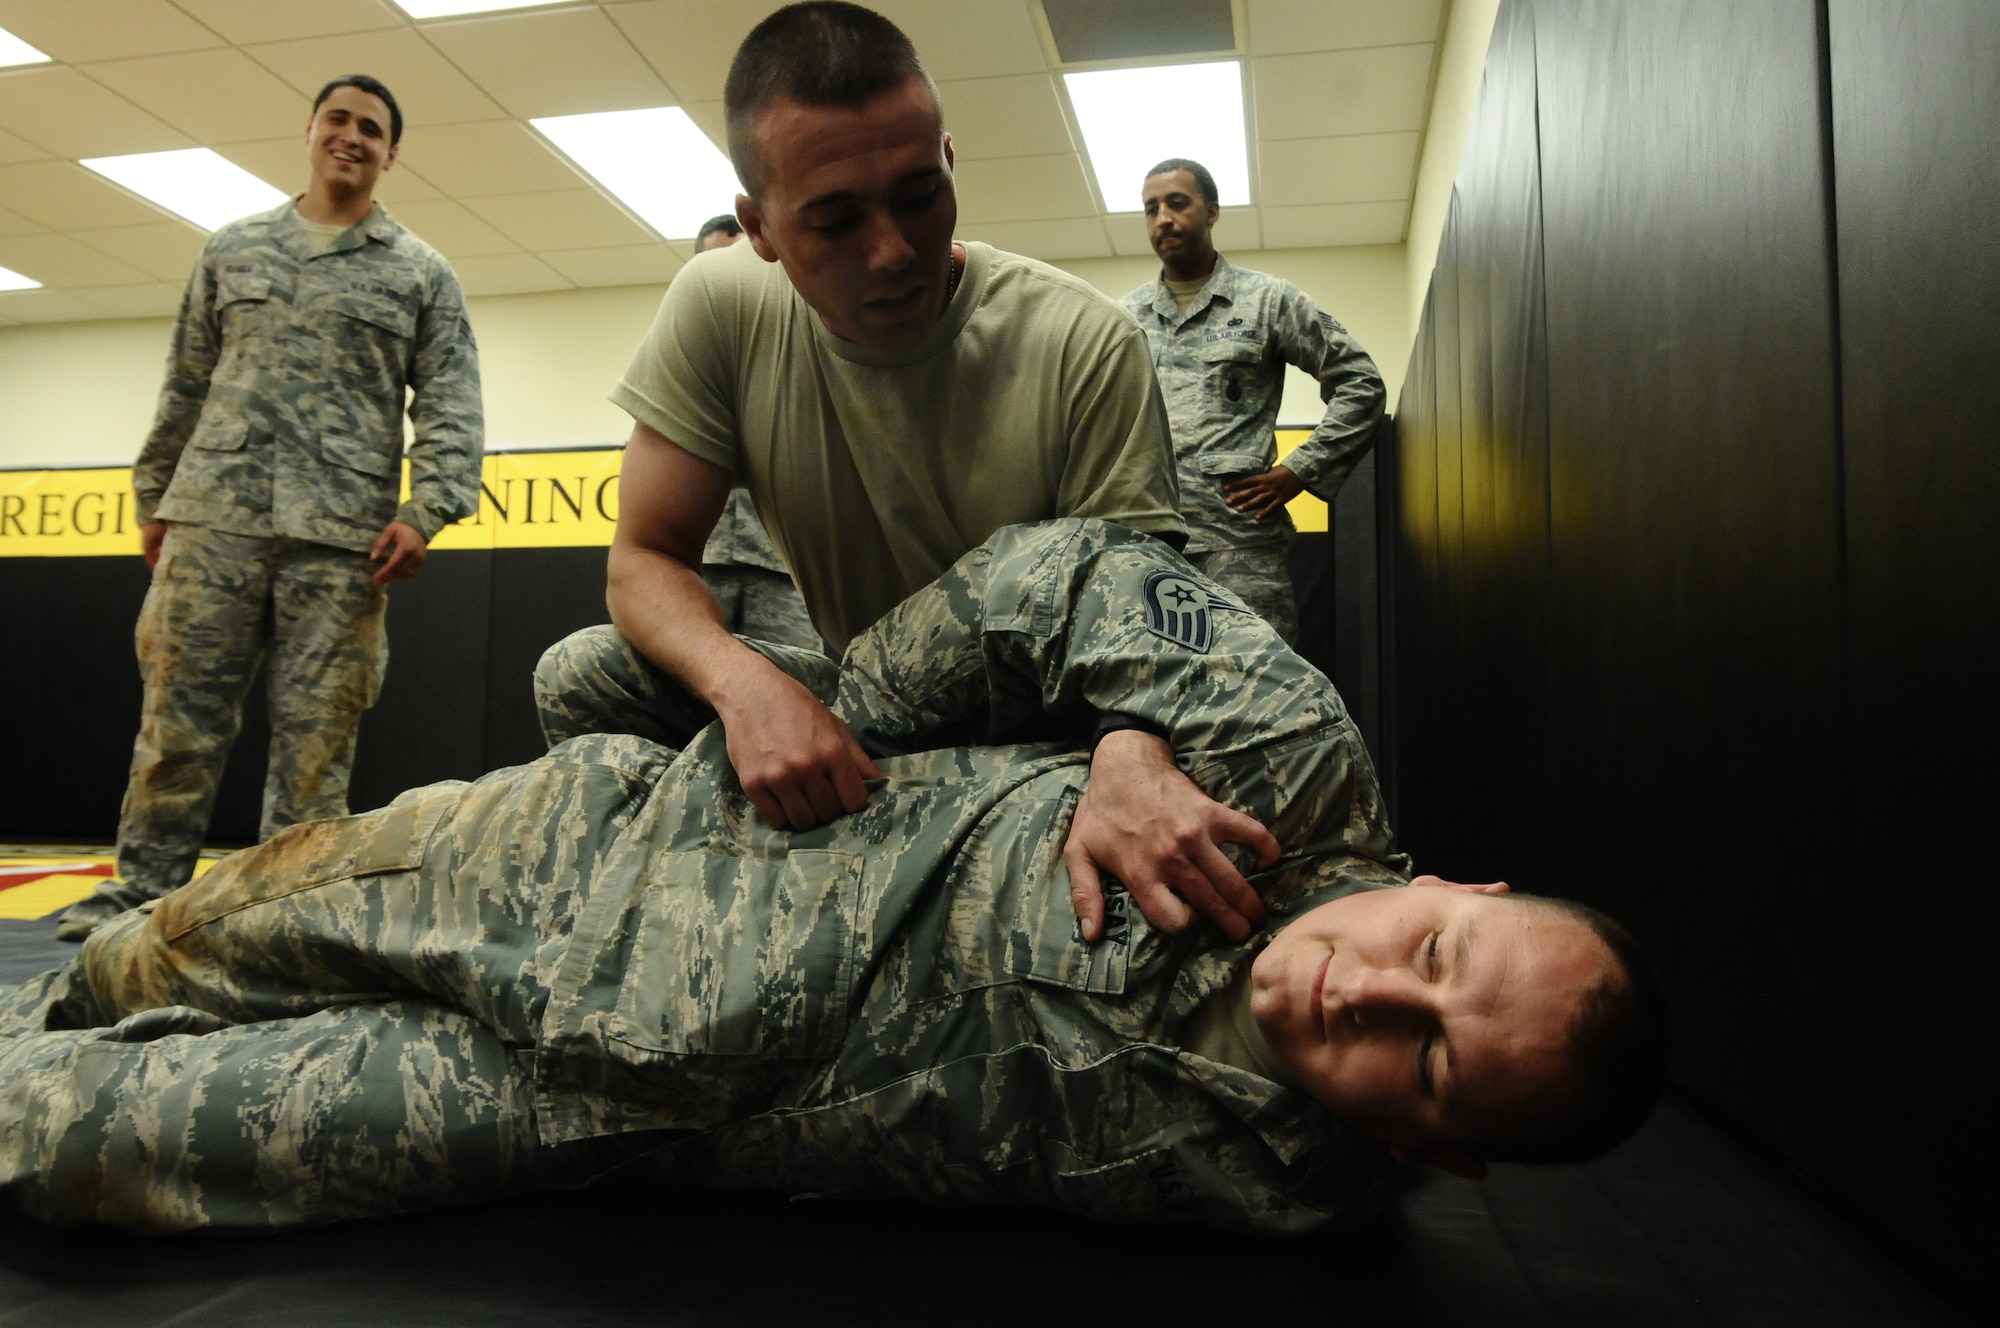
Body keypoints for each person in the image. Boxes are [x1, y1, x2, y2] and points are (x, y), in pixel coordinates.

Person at [0, 519, 1669, 1236]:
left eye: (1429, 1052)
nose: (1365, 984)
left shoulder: (1296, 1193)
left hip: (590, 1113)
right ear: (1442, 877)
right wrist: (827, 722)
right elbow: (1055, 577)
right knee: (163, 947)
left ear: (1438, 1151)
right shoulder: (1288, 768)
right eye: (1433, 945)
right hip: (588, 862)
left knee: (70, 1147)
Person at [537, 3, 1279, 954]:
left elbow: (1140, 628)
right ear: (760, 230)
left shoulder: (1083, 340)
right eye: (836, 220)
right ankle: (658, 937)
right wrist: (746, 685)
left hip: (1045, 742)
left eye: (919, 194)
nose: (892, 250)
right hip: (866, 722)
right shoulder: (719, 307)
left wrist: (1129, 756)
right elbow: (643, 556)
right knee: (582, 676)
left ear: (951, 163)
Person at [55, 75, 484, 943]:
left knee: (314, 751)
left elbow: (450, 404)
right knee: (176, 727)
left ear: (390, 153)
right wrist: (156, 495)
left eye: (372, 128)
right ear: (310, 130)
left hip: (341, 545)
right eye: (338, 119)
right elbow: (185, 379)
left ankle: (281, 923)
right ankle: (138, 904)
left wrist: (426, 508)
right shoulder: (233, 249)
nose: (352, 136)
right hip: (214, 521)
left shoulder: (420, 273)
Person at [1119, 158, 1385, 644]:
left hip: (1241, 547)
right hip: (1147, 550)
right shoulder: (1122, 319)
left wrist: (1301, 470)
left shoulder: (1268, 301)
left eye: (1178, 203)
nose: (1164, 219)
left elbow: (1361, 384)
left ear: (1212, 212)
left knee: (1259, 701)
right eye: (1151, 208)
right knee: (1152, 705)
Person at [687, 213, 821, 653]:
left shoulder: (803, 346)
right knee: (679, 696)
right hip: (698, 566)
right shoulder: (683, 354)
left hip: (785, 566)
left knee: (804, 690)